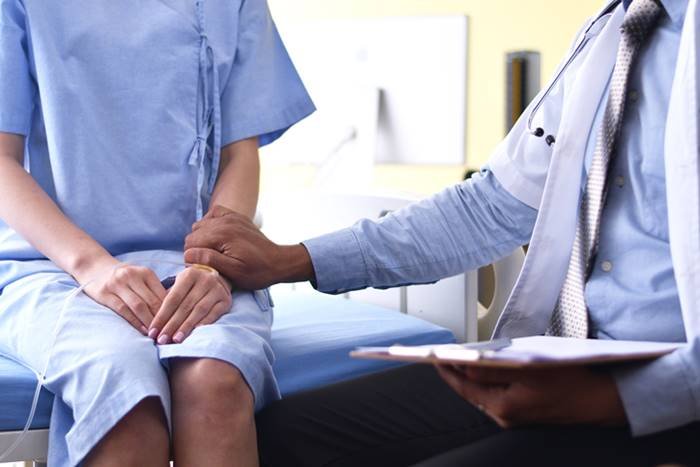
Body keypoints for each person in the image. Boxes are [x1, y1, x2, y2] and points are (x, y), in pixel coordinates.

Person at [184, 0, 700, 465]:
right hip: (569, 360)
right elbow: (491, 207)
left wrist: (617, 401)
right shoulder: (618, 33)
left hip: (674, 386)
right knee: (283, 438)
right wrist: (294, 260)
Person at [0, 0, 314, 465]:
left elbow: (239, 156)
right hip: (52, 263)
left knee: (215, 380)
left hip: (199, 265)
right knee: (126, 396)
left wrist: (213, 263)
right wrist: (93, 266)